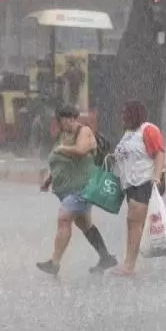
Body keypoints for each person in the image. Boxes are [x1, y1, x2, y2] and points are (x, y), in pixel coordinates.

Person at [36, 105, 117, 276]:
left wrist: (62, 149)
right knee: (84, 224)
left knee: (64, 219)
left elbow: (80, 151)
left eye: (65, 120)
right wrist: (49, 180)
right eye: (61, 121)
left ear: (72, 118)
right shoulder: (64, 135)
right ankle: (106, 257)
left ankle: (54, 263)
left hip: (82, 188)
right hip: (66, 189)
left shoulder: (84, 131)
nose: (63, 124)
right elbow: (60, 161)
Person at [111, 100, 166, 276]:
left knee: (135, 222)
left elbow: (159, 152)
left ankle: (129, 265)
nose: (122, 117)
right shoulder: (129, 133)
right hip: (131, 184)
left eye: (125, 113)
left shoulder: (148, 130)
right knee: (147, 222)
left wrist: (157, 177)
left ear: (134, 114)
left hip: (145, 182)